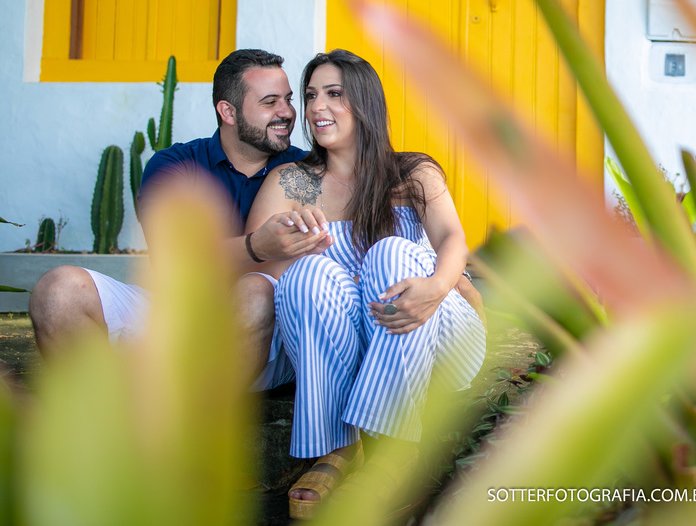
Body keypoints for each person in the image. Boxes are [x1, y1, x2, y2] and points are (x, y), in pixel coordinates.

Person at [244, 49, 486, 519]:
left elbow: (453, 239)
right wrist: (295, 251)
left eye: (334, 94)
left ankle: (394, 449)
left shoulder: (411, 172)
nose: (317, 107)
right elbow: (262, 274)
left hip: (435, 340)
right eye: (311, 95)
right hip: (347, 346)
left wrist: (440, 286)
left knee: (391, 254)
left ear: (365, 103)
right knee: (307, 273)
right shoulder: (295, 182)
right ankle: (338, 447)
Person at [28, 48, 333, 390]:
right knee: (58, 292)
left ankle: (186, 408)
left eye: (288, 99)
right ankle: (108, 408)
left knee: (255, 290)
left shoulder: (309, 171)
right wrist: (255, 246)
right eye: (270, 102)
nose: (288, 112)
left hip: (268, 336)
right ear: (228, 111)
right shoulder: (175, 165)